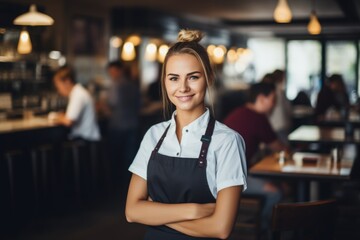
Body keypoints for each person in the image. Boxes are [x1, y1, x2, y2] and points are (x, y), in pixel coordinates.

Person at [125, 29, 247, 240]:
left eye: (193, 77)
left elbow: (220, 228)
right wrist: (193, 211)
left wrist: (154, 213)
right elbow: (132, 211)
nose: (183, 88)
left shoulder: (227, 141)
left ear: (208, 78)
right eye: (174, 78)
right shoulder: (153, 135)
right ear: (164, 81)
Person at [223, 82, 288, 234]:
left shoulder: (239, 112)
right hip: (232, 177)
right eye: (273, 99)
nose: (274, 105)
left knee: (280, 185)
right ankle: (262, 229)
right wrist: (292, 151)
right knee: (275, 192)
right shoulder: (258, 118)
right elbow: (277, 146)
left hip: (229, 172)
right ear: (261, 98)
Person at [99, 60, 141, 188]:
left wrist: (101, 105)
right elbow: (140, 105)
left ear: (119, 70)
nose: (111, 74)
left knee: (115, 157)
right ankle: (130, 186)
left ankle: (115, 187)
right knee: (130, 158)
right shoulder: (133, 84)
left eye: (112, 71)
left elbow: (111, 105)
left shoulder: (116, 85)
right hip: (133, 124)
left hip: (118, 125)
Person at [52, 65, 100, 142]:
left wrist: (56, 118)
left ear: (67, 81)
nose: (59, 91)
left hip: (85, 139)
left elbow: (68, 121)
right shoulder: (78, 91)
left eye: (59, 87)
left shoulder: (77, 94)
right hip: (86, 138)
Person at [262, 70, 292, 145]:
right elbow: (288, 108)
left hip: (275, 126)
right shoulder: (278, 91)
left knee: (281, 150)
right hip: (282, 124)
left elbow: (267, 112)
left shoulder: (273, 93)